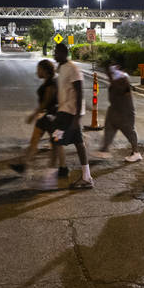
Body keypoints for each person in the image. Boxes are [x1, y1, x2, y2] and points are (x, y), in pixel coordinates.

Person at [49, 43, 94, 189]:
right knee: (78, 143)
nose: (54, 55)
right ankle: (86, 177)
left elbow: (80, 91)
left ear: (63, 53)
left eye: (56, 52)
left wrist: (77, 117)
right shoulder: (61, 68)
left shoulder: (73, 69)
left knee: (55, 139)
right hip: (64, 111)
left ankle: (49, 177)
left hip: (70, 113)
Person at [10, 59, 59, 176]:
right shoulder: (48, 81)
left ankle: (53, 172)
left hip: (51, 117)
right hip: (46, 116)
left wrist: (33, 115)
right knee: (35, 141)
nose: (37, 72)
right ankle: (24, 164)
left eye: (39, 70)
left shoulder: (51, 84)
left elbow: (46, 102)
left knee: (55, 145)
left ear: (45, 71)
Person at [92, 56, 142, 163]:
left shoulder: (123, 78)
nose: (109, 70)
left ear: (117, 67)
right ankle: (104, 149)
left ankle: (136, 153)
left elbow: (121, 90)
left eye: (111, 67)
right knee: (109, 128)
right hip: (115, 109)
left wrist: (110, 76)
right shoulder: (116, 77)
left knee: (129, 131)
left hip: (125, 112)